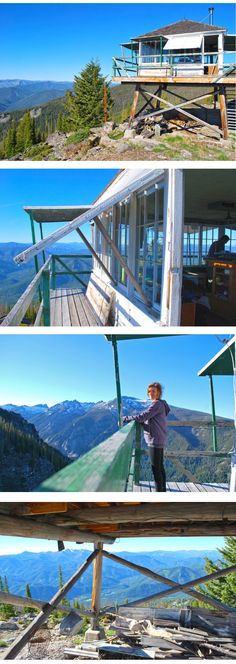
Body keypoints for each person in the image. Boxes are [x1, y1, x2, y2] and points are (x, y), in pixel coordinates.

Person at [123, 382, 170, 492]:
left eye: (153, 391)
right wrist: (143, 424)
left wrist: (125, 418)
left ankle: (160, 495)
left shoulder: (156, 404)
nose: (151, 393)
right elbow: (152, 421)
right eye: (149, 391)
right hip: (159, 438)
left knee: (155, 469)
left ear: (159, 392)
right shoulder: (161, 404)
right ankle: (163, 491)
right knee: (160, 467)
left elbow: (143, 416)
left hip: (155, 439)